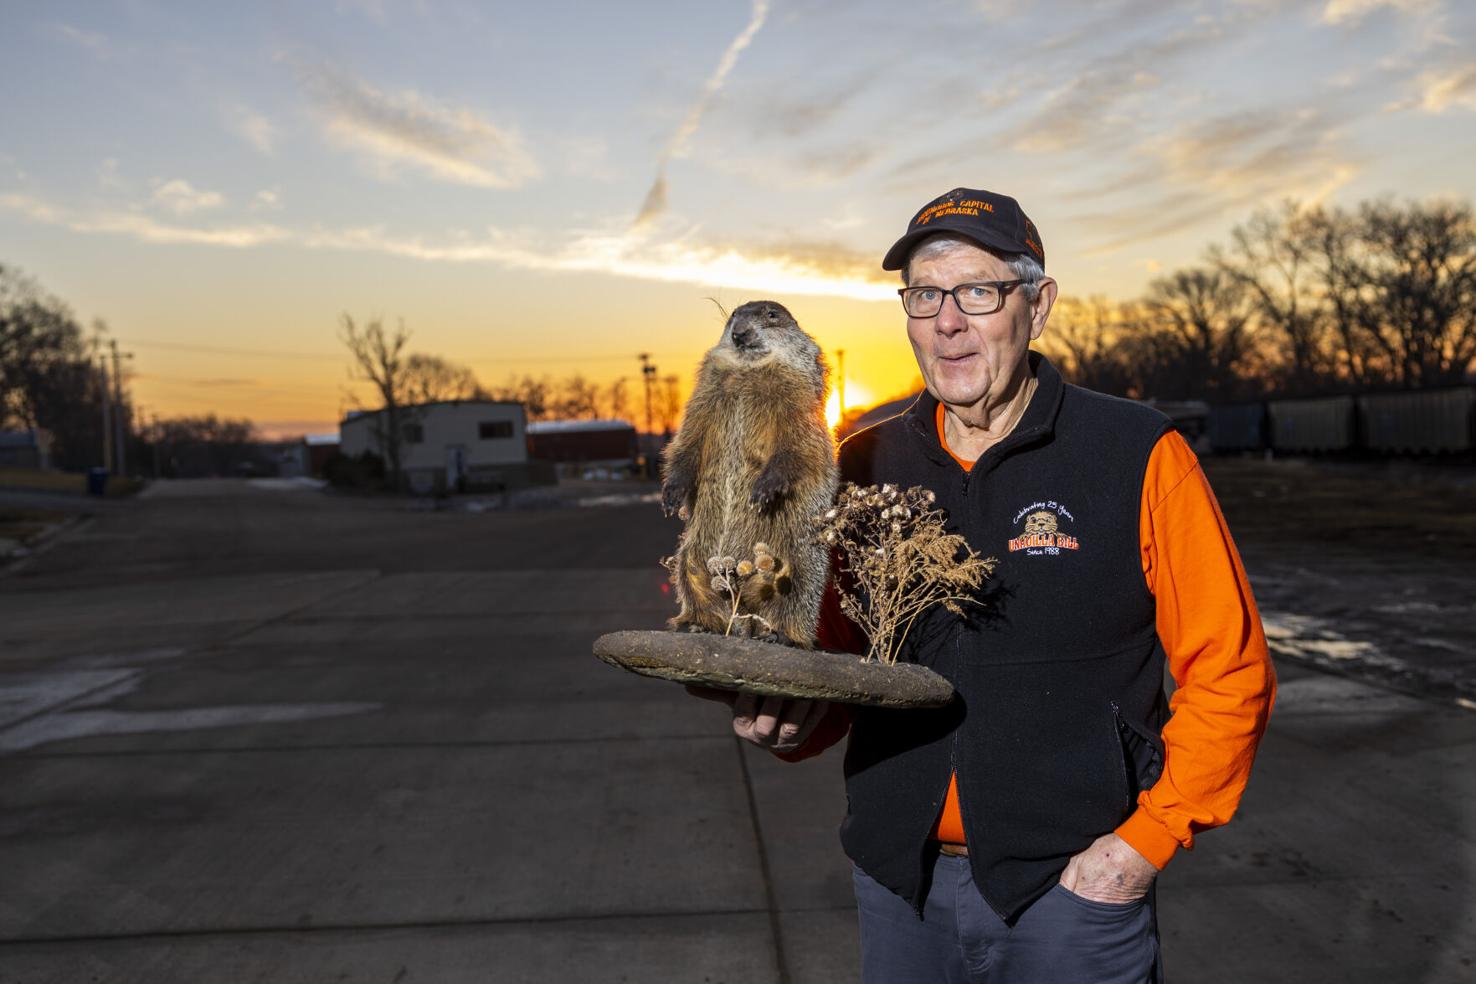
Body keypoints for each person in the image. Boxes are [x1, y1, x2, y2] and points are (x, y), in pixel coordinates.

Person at [698, 187, 1277, 983]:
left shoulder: (1135, 452)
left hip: (1072, 893)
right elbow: (837, 659)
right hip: (900, 885)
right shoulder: (859, 465)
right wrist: (794, 722)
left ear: (1037, 307)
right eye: (925, 295)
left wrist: (1142, 846)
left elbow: (1231, 670)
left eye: (978, 292)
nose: (947, 321)